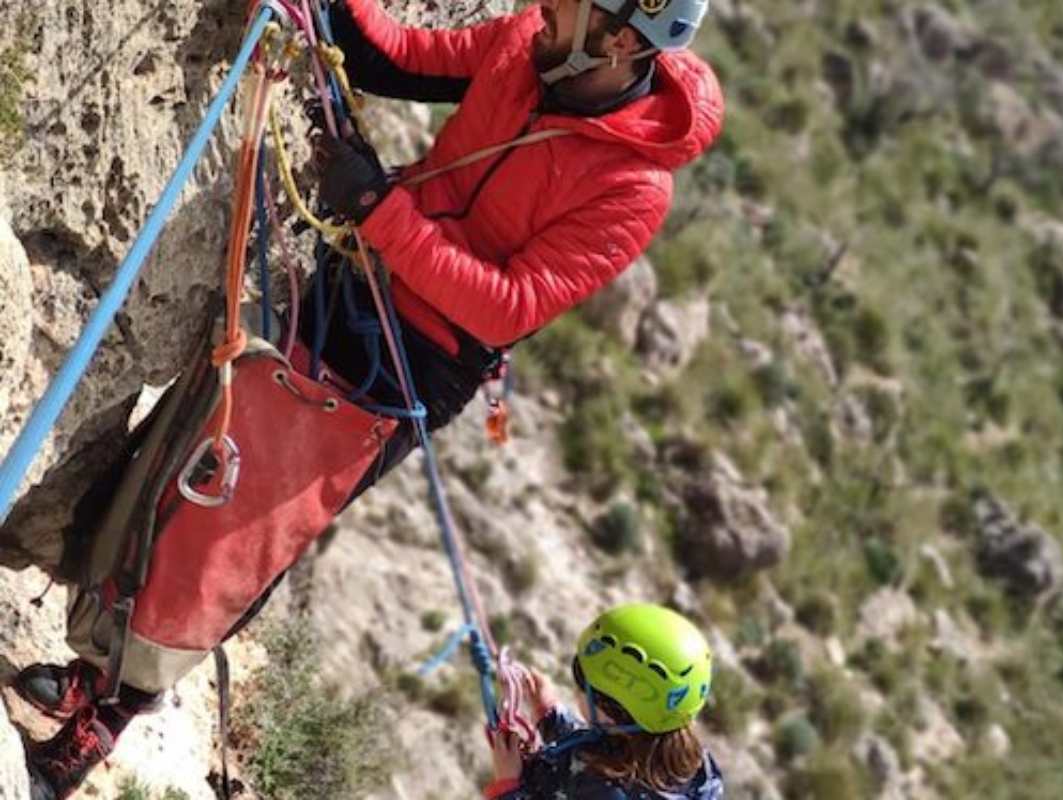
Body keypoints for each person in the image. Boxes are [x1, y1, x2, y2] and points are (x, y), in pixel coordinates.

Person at [14, 0, 723, 796]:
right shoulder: (530, 42)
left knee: (246, 528)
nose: (550, 1)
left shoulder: (633, 187)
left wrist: (382, 212)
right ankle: (94, 665)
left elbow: (508, 305)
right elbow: (403, 58)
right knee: (190, 445)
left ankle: (110, 715)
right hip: (360, 274)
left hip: (414, 364)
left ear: (620, 39)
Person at [484, 603, 724, 799]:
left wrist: (508, 788)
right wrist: (550, 716)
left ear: (612, 710)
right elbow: (601, 744)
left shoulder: (605, 793)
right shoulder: (678, 761)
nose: (576, 687)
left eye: (581, 680)